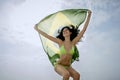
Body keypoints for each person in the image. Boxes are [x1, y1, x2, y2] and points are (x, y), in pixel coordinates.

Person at [34, 10, 91, 80]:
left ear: (70, 32)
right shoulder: (60, 42)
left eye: (66, 30)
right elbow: (47, 36)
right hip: (59, 65)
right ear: (63, 34)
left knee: (77, 75)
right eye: (63, 31)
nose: (65, 31)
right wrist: (37, 29)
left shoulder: (73, 42)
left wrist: (89, 15)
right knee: (66, 74)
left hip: (68, 66)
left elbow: (84, 30)